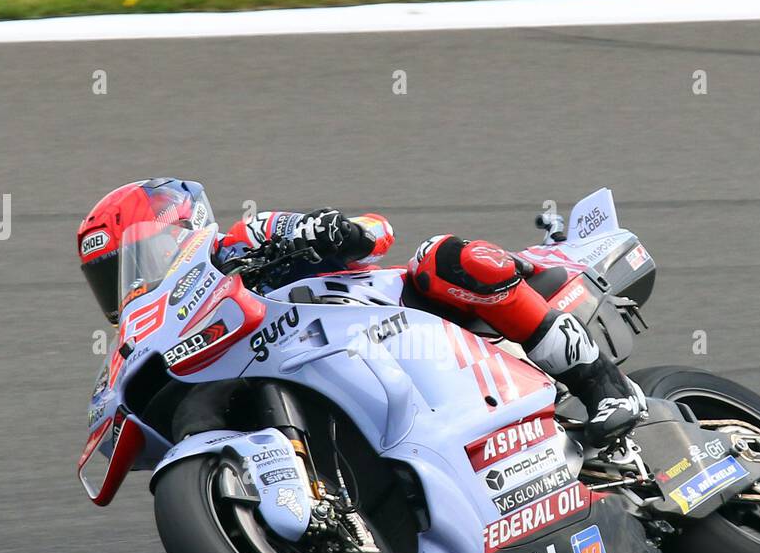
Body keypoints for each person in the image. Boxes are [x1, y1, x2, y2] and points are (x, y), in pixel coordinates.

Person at [78, 178, 646, 444]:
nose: (128, 286)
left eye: (135, 260)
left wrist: (325, 229)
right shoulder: (145, 339)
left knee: (442, 257)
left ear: (176, 231)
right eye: (110, 280)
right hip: (316, 374)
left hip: (398, 317)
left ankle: (602, 385)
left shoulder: (240, 241)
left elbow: (376, 233)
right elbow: (111, 421)